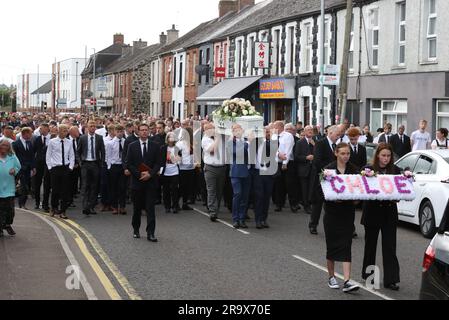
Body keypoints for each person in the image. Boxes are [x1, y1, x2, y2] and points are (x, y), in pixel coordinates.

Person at [361, 143, 401, 291]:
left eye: (388, 156)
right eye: (383, 155)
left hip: (389, 213)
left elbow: (400, 192)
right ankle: (369, 276)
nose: (386, 158)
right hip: (372, 211)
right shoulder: (368, 170)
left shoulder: (396, 170)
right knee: (370, 246)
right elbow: (364, 191)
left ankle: (391, 279)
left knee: (390, 246)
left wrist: (397, 197)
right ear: (377, 155)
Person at [323, 143, 360, 293]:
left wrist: (357, 200)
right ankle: (331, 277)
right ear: (336, 153)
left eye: (348, 153)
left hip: (347, 213)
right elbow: (321, 191)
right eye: (343, 153)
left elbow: (359, 189)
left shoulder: (354, 170)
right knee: (332, 245)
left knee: (346, 245)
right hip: (332, 214)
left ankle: (346, 280)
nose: (346, 156)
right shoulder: (328, 169)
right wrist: (331, 199)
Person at [126, 123, 161, 242]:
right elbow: (129, 163)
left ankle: (150, 232)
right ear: (138, 132)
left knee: (150, 208)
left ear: (149, 132)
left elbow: (158, 163)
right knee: (137, 208)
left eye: (146, 130)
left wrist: (150, 174)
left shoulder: (155, 146)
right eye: (142, 130)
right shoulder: (132, 146)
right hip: (137, 182)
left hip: (151, 182)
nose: (144, 132)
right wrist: (139, 174)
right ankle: (136, 229)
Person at [309, 125, 340, 235]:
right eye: (337, 135)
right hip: (321, 177)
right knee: (317, 204)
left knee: (332, 204)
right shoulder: (320, 143)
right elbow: (317, 161)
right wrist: (329, 170)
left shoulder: (337, 145)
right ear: (330, 133)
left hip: (333, 179)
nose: (338, 137)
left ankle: (333, 225)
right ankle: (313, 225)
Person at [46, 125, 75, 220]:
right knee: (55, 190)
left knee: (65, 191)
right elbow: (48, 155)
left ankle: (63, 211)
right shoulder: (52, 142)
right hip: (55, 168)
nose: (65, 132)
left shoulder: (69, 142)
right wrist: (50, 167)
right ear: (58, 131)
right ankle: (53, 208)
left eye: (66, 130)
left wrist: (70, 167)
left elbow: (71, 155)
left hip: (65, 168)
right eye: (63, 130)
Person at [77, 121, 105, 216]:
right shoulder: (82, 138)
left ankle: (91, 206)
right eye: (91, 126)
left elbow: (102, 151)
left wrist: (101, 163)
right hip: (85, 164)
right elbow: (78, 152)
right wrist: (80, 162)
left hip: (95, 164)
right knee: (85, 185)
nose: (93, 128)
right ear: (87, 128)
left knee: (94, 186)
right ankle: (85, 206)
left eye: (94, 126)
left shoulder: (99, 138)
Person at [227, 124, 251, 229]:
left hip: (246, 171)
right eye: (235, 130)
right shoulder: (230, 142)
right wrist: (249, 143)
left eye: (239, 130)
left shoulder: (246, 141)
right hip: (236, 172)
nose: (238, 132)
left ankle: (242, 219)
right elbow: (237, 152)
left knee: (245, 197)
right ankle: (235, 219)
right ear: (233, 132)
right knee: (238, 194)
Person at [202, 123, 226, 222]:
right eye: (208, 129)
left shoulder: (221, 138)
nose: (211, 130)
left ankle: (216, 209)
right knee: (211, 190)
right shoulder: (205, 139)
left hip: (222, 167)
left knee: (219, 191)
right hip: (210, 168)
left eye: (212, 128)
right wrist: (217, 139)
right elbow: (212, 149)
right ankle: (213, 212)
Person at [253, 125, 277, 229]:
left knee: (267, 197)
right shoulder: (256, 143)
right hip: (259, 173)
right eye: (266, 132)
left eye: (268, 132)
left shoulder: (271, 143)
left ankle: (264, 219)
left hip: (269, 173)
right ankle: (258, 219)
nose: (267, 134)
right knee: (259, 196)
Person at [0, 140, 21, 237]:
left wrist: (15, 170)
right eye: (2, 145)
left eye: (6, 146)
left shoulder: (12, 157)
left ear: (9, 148)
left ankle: (7, 224)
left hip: (9, 187)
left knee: (10, 210)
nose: (4, 147)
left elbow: (18, 166)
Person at [273, 121, 295, 212]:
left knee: (290, 184)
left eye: (275, 127)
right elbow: (272, 147)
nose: (273, 129)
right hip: (277, 162)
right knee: (279, 184)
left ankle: (293, 204)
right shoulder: (273, 136)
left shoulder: (288, 136)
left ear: (280, 127)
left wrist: (285, 162)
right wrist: (278, 154)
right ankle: (279, 204)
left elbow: (288, 149)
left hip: (288, 163)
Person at [12, 127, 36, 210]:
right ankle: (20, 204)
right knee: (22, 187)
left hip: (28, 169)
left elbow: (32, 156)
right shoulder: (15, 144)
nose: (31, 135)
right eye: (29, 133)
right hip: (19, 169)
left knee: (26, 187)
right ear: (24, 133)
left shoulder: (29, 143)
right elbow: (13, 157)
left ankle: (23, 204)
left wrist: (33, 167)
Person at [106, 125, 127, 215]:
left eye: (121, 131)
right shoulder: (110, 143)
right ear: (115, 132)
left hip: (122, 166)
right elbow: (108, 156)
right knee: (113, 187)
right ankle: (114, 206)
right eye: (118, 131)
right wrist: (109, 166)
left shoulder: (125, 142)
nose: (120, 133)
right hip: (114, 166)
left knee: (122, 187)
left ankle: (122, 206)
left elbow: (126, 155)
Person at [294, 125, 315, 215]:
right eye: (308, 130)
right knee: (304, 188)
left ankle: (309, 203)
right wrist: (306, 157)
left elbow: (318, 154)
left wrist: (315, 145)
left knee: (311, 188)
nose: (310, 131)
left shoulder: (316, 142)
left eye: (311, 130)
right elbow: (296, 156)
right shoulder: (300, 142)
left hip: (313, 169)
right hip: (303, 169)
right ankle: (306, 205)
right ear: (304, 132)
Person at [160, 132, 181, 214]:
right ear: (167, 139)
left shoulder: (177, 148)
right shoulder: (163, 148)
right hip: (165, 172)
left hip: (174, 171)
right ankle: (167, 206)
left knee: (175, 190)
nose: (171, 139)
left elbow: (179, 160)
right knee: (166, 190)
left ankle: (175, 206)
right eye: (169, 137)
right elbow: (161, 160)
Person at [33, 123, 51, 212]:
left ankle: (45, 204)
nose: (41, 130)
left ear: (47, 129)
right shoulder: (37, 139)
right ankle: (37, 202)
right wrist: (34, 166)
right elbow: (34, 152)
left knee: (47, 185)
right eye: (40, 129)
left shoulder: (52, 139)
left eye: (42, 129)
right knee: (37, 184)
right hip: (38, 164)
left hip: (48, 164)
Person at [176, 127, 195, 211]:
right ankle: (176, 203)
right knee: (181, 187)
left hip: (190, 168)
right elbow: (176, 155)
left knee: (188, 187)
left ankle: (184, 203)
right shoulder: (180, 144)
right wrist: (179, 160)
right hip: (182, 168)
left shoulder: (192, 143)